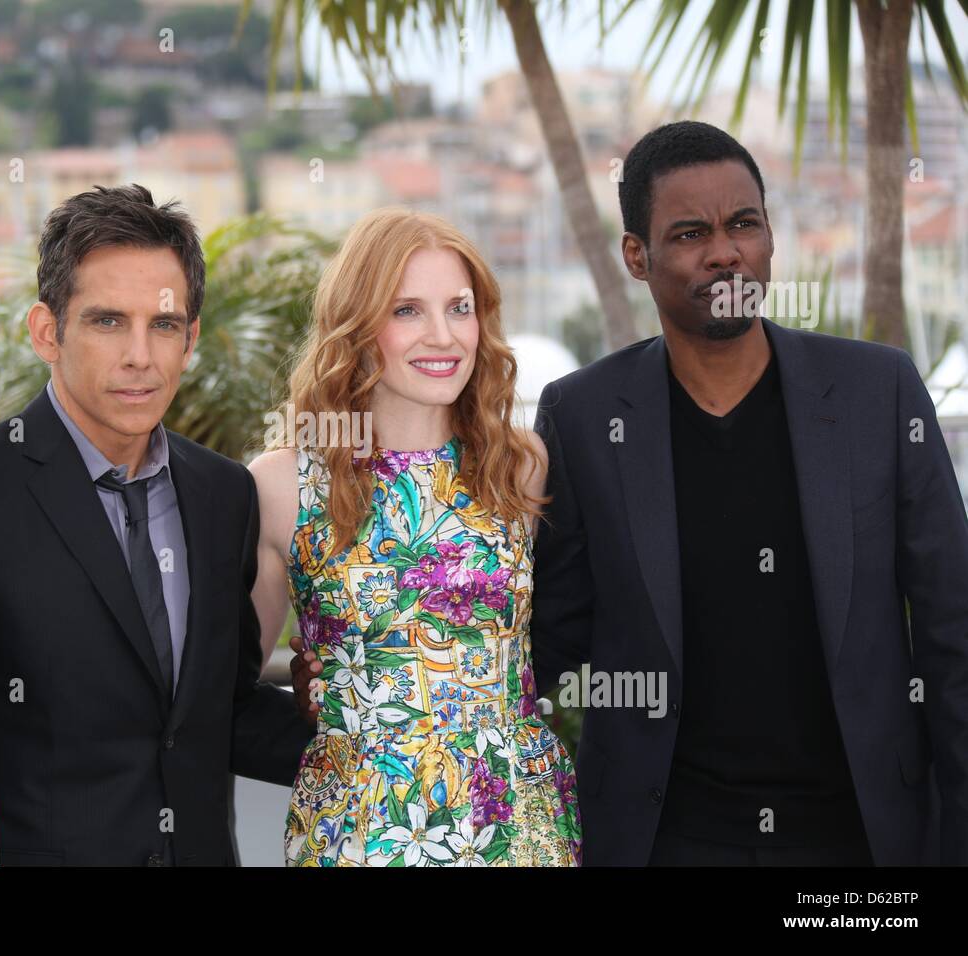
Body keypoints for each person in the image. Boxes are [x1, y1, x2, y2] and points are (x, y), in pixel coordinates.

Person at [529, 121, 967, 865]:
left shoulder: (877, 392)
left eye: (744, 224)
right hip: (665, 838)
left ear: (769, 237)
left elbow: (953, 629)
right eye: (690, 232)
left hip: (859, 835)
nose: (724, 251)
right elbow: (549, 641)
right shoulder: (581, 416)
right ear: (637, 256)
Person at [0, 184, 312, 866]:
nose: (139, 356)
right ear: (46, 331)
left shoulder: (224, 494)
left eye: (163, 325)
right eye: (106, 322)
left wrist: (371, 725)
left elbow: (218, 714)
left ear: (191, 340)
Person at [255, 208, 581, 866]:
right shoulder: (284, 483)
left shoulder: (520, 466)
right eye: (407, 310)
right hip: (360, 832)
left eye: (459, 308)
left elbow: (561, 639)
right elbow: (221, 690)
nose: (443, 336)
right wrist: (324, 705)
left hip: (517, 829)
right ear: (357, 323)